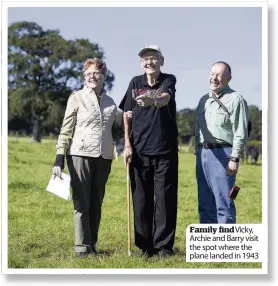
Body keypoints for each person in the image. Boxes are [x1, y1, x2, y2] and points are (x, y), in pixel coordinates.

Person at [52, 58, 117, 258]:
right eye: (88, 73)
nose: (91, 76)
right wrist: (59, 158)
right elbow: (66, 128)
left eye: (96, 73)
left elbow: (123, 121)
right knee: (82, 203)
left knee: (96, 203)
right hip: (79, 155)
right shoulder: (76, 97)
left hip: (104, 157)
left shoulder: (110, 102)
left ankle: (92, 246)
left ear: (103, 76)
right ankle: (82, 248)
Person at [119, 45, 179, 258]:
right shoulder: (135, 83)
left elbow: (165, 99)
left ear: (161, 60)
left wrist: (152, 100)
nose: (149, 63)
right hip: (139, 151)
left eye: (153, 58)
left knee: (165, 199)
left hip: (165, 151)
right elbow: (126, 115)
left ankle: (163, 247)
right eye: (145, 59)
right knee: (141, 200)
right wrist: (127, 144)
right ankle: (146, 247)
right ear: (140, 63)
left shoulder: (168, 80)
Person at [195, 61, 248, 224]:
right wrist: (198, 150)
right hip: (203, 154)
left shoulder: (236, 99)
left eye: (219, 75)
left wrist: (234, 158)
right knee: (205, 204)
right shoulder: (203, 99)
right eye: (212, 74)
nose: (214, 78)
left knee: (224, 204)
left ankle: (226, 246)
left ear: (229, 78)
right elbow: (198, 128)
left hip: (224, 154)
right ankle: (208, 246)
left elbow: (241, 131)